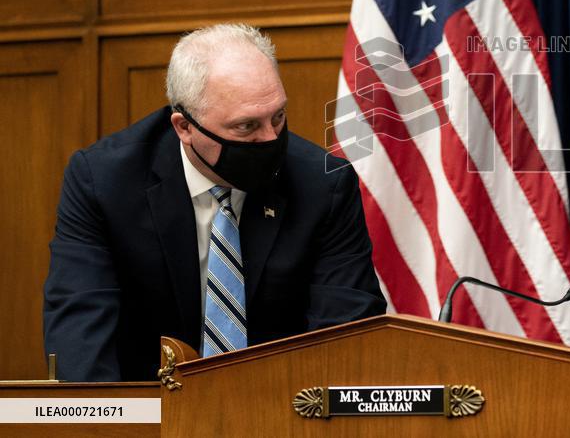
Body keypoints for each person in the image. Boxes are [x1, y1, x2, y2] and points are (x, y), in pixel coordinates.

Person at [43, 24, 386, 381]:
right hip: (149, 405)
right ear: (184, 127)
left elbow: (346, 337)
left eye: (278, 117)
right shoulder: (105, 182)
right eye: (246, 127)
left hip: (285, 402)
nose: (271, 139)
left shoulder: (323, 185)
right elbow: (79, 333)